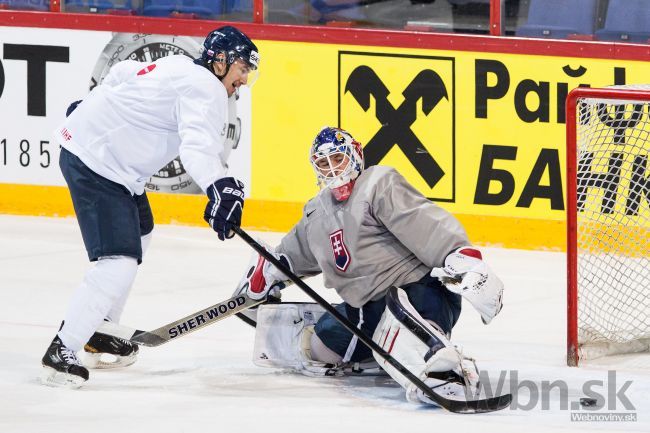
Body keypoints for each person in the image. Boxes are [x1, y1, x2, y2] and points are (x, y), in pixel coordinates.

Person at [40, 26, 260, 388]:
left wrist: (94, 104)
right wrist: (218, 187)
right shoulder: (205, 87)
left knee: (141, 230)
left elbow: (122, 72)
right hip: (98, 163)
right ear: (220, 61)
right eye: (242, 69)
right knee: (118, 261)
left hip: (108, 161)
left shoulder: (179, 64)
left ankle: (99, 328)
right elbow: (196, 148)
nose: (245, 79)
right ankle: (63, 348)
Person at [236, 126, 504, 404]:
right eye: (323, 163)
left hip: (420, 293)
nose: (332, 169)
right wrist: (266, 275)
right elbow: (293, 254)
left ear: (356, 154)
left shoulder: (377, 183)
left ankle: (443, 369)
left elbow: (422, 221)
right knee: (320, 345)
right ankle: (382, 357)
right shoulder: (316, 213)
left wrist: (459, 256)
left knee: (402, 326)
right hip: (366, 312)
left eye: (338, 159)